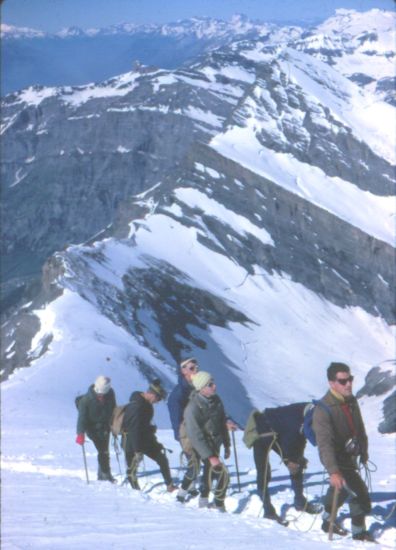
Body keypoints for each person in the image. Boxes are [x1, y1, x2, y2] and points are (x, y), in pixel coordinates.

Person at [313, 362, 374, 542]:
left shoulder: (351, 400)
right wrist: (333, 471)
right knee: (358, 492)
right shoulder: (322, 410)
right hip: (335, 458)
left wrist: (364, 451)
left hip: (350, 455)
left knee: (341, 491)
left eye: (350, 379)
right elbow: (324, 445)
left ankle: (327, 521)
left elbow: (359, 428)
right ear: (332, 383)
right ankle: (359, 533)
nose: (348, 384)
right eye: (342, 381)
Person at [245, 403, 321, 526]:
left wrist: (298, 458)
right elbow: (290, 440)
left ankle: (300, 501)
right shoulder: (296, 420)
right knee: (264, 471)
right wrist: (292, 460)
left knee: (296, 464)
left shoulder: (310, 415)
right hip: (262, 430)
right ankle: (268, 510)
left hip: (279, 430)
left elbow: (301, 438)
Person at [184, 371, 231, 511]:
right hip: (200, 447)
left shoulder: (216, 400)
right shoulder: (192, 408)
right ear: (201, 388)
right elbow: (195, 435)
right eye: (210, 384)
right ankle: (218, 504)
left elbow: (222, 423)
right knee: (222, 473)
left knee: (208, 474)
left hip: (215, 444)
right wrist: (210, 456)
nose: (214, 386)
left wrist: (227, 444)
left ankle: (204, 502)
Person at [122, 378, 177, 492]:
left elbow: (142, 426)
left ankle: (170, 485)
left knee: (161, 459)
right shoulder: (137, 406)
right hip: (132, 441)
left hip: (144, 439)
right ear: (152, 394)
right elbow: (134, 429)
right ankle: (135, 492)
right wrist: (137, 450)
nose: (157, 401)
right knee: (132, 468)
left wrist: (151, 431)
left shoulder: (144, 405)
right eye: (158, 398)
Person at [168, 357, 201, 502]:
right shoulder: (179, 392)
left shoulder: (194, 387)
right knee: (194, 462)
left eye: (196, 367)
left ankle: (191, 487)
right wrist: (179, 434)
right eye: (192, 368)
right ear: (183, 371)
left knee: (195, 461)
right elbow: (175, 415)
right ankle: (182, 493)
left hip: (196, 430)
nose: (196, 370)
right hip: (186, 433)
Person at [76, 375, 116, 482]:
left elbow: (113, 408)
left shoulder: (110, 393)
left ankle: (103, 473)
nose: (101, 397)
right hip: (92, 428)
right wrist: (80, 433)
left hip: (105, 426)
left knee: (104, 450)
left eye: (103, 395)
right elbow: (82, 418)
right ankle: (105, 475)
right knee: (103, 451)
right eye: (99, 395)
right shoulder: (86, 401)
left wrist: (114, 423)